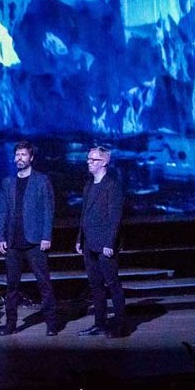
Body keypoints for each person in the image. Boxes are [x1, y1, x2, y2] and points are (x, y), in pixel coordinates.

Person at [0, 141, 58, 336]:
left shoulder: (42, 180)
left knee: (44, 283)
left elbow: (48, 210)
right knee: (11, 286)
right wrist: (0, 237)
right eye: (17, 155)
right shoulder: (8, 182)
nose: (19, 158)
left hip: (35, 241)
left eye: (23, 155)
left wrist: (46, 236)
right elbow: (2, 211)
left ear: (31, 158)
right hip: (13, 242)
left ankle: (52, 323)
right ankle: (10, 324)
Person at [75, 145, 126, 338]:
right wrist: (79, 238)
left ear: (104, 162)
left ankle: (120, 325)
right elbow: (84, 214)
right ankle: (100, 323)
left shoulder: (112, 186)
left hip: (105, 245)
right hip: (89, 243)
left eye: (93, 159)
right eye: (88, 159)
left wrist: (109, 244)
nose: (89, 162)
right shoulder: (89, 185)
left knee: (113, 284)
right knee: (96, 286)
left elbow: (115, 218)